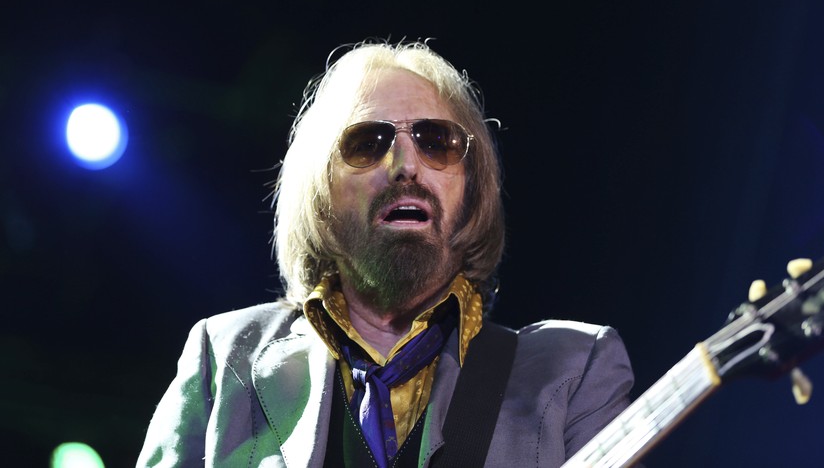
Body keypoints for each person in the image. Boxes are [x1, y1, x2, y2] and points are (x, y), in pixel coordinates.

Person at [136, 40, 636, 467]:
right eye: (367, 143)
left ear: (471, 185)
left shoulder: (573, 371)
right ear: (321, 190)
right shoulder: (226, 357)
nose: (406, 165)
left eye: (436, 141)